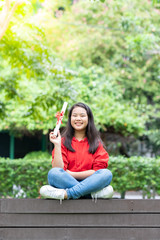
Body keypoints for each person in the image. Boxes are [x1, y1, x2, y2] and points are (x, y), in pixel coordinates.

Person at [40, 102, 113, 202]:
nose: (78, 119)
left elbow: (98, 171)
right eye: (74, 116)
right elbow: (58, 170)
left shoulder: (96, 143)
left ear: (88, 119)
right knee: (53, 173)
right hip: (67, 181)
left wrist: (72, 174)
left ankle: (68, 194)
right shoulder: (63, 142)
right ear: (70, 119)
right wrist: (57, 145)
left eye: (82, 116)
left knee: (106, 174)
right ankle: (88, 194)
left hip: (91, 182)